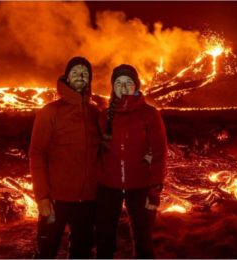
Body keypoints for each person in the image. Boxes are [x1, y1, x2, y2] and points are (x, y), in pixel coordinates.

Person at [29, 56, 100, 259]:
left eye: (85, 73)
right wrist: (42, 196)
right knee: (46, 251)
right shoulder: (49, 112)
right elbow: (37, 153)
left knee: (82, 252)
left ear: (89, 80)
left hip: (87, 200)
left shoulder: (95, 113)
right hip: (55, 200)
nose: (80, 75)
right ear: (67, 77)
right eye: (75, 71)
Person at [96, 64, 167, 259]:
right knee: (104, 240)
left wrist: (154, 190)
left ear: (136, 85)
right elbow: (96, 150)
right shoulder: (103, 116)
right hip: (107, 187)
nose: (124, 86)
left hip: (140, 186)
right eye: (119, 82)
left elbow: (159, 152)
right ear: (113, 87)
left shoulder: (149, 114)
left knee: (143, 240)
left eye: (128, 82)